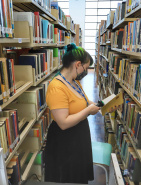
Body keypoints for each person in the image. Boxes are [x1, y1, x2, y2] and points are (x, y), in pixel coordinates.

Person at [44, 43, 118, 184]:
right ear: (78, 64)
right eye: (86, 67)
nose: (86, 71)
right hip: (64, 143)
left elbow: (85, 102)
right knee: (68, 178)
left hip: (78, 138)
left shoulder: (74, 82)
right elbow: (63, 123)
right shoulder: (56, 87)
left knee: (78, 177)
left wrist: (104, 106)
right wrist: (88, 112)